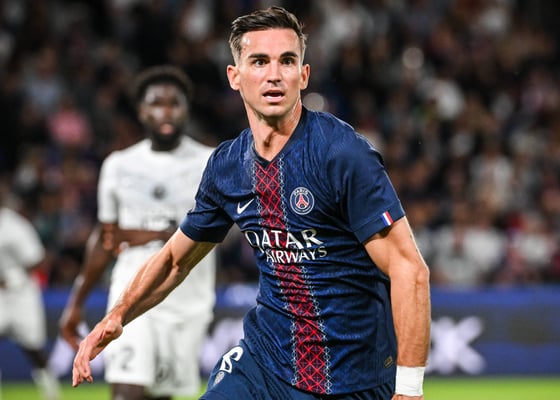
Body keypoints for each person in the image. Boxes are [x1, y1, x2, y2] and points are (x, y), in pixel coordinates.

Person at [71, 6, 431, 400]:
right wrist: (117, 316)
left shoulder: (342, 154)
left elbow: (409, 269)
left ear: (303, 76)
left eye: (287, 61)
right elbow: (175, 260)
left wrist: (409, 389)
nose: (274, 74)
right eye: (259, 61)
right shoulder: (228, 166)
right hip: (265, 364)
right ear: (235, 76)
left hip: (352, 377)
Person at [59, 65, 216, 400]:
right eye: (156, 103)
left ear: (187, 109)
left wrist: (150, 233)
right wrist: (76, 302)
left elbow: (221, 230)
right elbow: (105, 239)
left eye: (174, 103)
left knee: (160, 396)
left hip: (187, 300)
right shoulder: (118, 165)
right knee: (126, 392)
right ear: (141, 111)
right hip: (129, 293)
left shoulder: (211, 162)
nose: (166, 111)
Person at [0, 178, 60, 400]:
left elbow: (39, 260)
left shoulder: (15, 226)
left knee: (33, 346)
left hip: (20, 293)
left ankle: (51, 392)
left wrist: (14, 276)